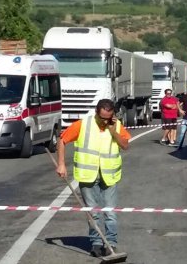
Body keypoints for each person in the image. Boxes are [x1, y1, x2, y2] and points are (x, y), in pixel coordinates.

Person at [55, 99, 131, 258]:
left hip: (109, 175)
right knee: (93, 211)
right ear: (96, 113)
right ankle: (96, 243)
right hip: (88, 175)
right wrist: (61, 164)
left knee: (110, 212)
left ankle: (111, 244)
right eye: (102, 117)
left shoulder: (116, 125)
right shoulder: (83, 124)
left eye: (108, 118)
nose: (105, 121)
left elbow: (125, 145)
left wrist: (113, 130)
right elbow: (62, 140)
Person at [177, 85, 187, 149]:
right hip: (185, 118)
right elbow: (177, 102)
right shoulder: (184, 97)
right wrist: (180, 110)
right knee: (182, 133)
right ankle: (179, 146)